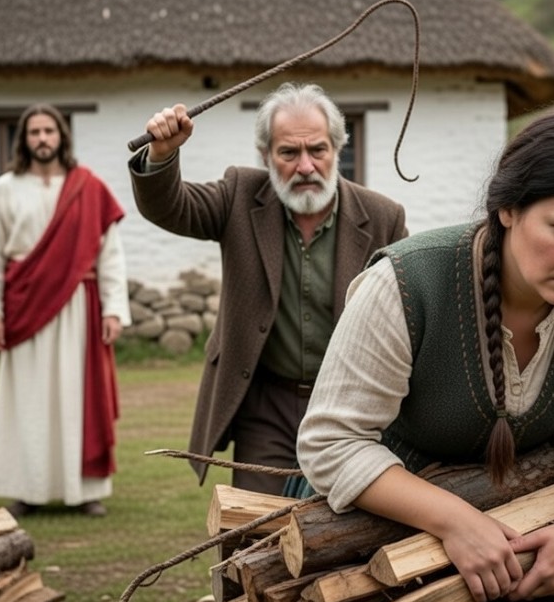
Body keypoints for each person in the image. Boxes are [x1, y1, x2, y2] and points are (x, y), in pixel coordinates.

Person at [296, 108, 554, 602]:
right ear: (508, 208)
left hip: (518, 540)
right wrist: (456, 521)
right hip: (373, 538)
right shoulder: (409, 284)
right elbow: (332, 441)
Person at [128, 82, 408, 495]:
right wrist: (163, 155)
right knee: (252, 531)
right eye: (289, 153)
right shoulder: (240, 195)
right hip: (266, 405)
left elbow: (405, 312)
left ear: (338, 149)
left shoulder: (383, 217)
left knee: (344, 526)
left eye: (318, 150)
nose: (306, 166)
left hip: (348, 404)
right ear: (266, 156)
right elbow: (172, 207)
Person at [0, 103, 131, 518]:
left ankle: (85, 490)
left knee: (79, 399)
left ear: (62, 136)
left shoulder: (89, 188)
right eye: (34, 132)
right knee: (28, 401)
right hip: (25, 308)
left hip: (79, 307)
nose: (42, 138)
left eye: (49, 131)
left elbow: (110, 256)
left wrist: (114, 309)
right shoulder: (5, 188)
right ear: (23, 140)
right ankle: (28, 490)